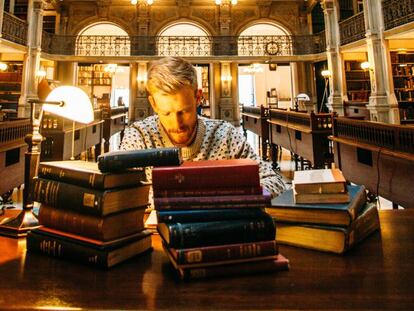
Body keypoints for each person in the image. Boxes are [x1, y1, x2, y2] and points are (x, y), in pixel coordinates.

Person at [120, 57, 285, 197]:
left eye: (184, 111)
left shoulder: (225, 135)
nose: (177, 124)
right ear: (153, 104)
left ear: (198, 97)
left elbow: (273, 181)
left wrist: (237, 199)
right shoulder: (139, 135)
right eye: (167, 113)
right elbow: (119, 193)